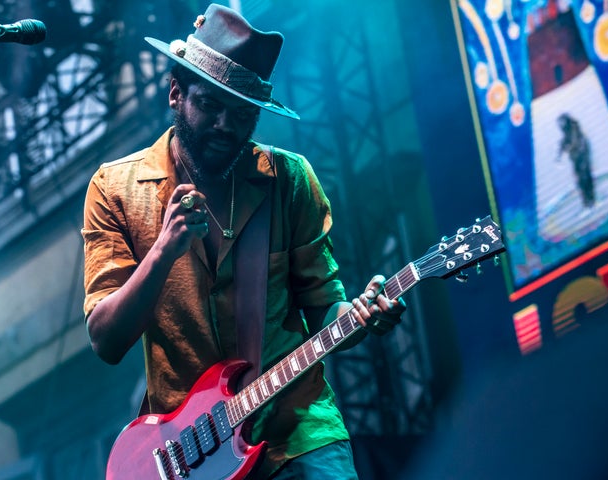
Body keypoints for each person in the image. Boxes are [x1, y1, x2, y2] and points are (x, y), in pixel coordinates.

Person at [82, 4, 405, 479]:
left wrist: (364, 317)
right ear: (176, 94)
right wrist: (163, 251)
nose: (224, 126)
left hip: (299, 431)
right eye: (210, 105)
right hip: (192, 455)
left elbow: (325, 310)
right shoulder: (115, 190)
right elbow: (105, 340)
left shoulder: (289, 180)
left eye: (242, 114)